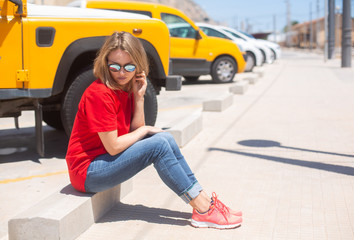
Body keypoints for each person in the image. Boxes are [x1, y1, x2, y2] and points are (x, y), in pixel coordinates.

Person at [65, 31, 242, 229]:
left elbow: (135, 130)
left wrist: (139, 97)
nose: (121, 72)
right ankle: (202, 209)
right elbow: (114, 146)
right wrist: (146, 130)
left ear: (138, 65)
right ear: (105, 63)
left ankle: (206, 201)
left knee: (165, 138)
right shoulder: (99, 94)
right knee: (158, 143)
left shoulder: (123, 88)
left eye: (129, 67)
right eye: (114, 66)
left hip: (104, 161)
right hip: (87, 172)